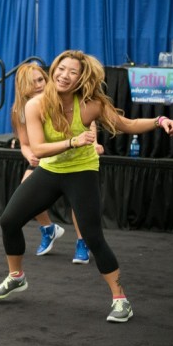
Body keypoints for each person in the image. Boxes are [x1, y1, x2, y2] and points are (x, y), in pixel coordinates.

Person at [0, 50, 173, 323]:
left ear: (81, 78)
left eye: (72, 72)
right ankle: (16, 277)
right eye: (61, 69)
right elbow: (38, 149)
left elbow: (127, 124)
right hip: (50, 170)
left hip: (81, 172)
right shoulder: (36, 105)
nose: (64, 75)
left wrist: (160, 121)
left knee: (92, 237)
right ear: (54, 70)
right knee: (9, 220)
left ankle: (120, 299)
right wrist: (72, 142)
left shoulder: (91, 105)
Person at [11, 63, 104, 264]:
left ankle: (82, 242)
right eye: (31, 82)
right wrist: (29, 156)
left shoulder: (62, 97)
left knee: (76, 199)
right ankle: (48, 229)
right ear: (21, 87)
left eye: (40, 80)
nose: (37, 85)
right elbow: (25, 144)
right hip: (44, 158)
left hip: (74, 157)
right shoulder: (20, 110)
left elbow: (89, 120)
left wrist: (94, 142)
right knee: (25, 192)